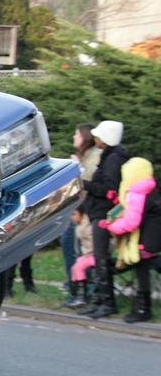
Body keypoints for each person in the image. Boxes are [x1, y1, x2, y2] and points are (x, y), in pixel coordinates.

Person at [99, 157, 160, 323]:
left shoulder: (137, 192)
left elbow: (132, 221)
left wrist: (110, 226)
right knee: (146, 269)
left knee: (141, 271)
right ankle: (142, 306)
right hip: (154, 239)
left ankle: (142, 309)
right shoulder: (150, 188)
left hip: (145, 242)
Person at [81, 120, 129, 318]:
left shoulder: (112, 160)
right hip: (98, 211)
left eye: (99, 136)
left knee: (101, 258)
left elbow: (109, 190)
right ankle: (99, 299)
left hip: (103, 213)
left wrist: (85, 184)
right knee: (99, 257)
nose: (95, 138)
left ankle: (107, 303)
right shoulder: (110, 156)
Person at [62, 123, 102, 306]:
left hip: (83, 212)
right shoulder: (84, 156)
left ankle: (81, 292)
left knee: (79, 251)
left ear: (84, 137)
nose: (73, 138)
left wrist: (77, 169)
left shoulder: (94, 158)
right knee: (72, 249)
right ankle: (77, 290)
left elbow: (89, 186)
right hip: (77, 211)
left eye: (76, 134)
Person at [66, 208, 96, 308]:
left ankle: (81, 297)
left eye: (74, 214)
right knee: (75, 268)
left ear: (81, 214)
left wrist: (91, 252)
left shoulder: (87, 226)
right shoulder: (81, 224)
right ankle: (77, 295)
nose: (72, 217)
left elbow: (94, 240)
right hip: (88, 254)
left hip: (95, 254)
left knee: (78, 267)